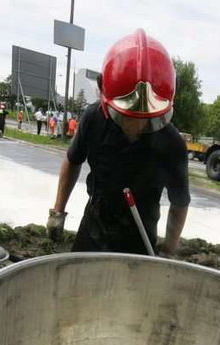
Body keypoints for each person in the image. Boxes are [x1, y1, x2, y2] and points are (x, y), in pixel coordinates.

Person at [47, 29, 190, 255]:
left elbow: (179, 202)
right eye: (126, 117)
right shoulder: (93, 119)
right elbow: (73, 160)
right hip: (96, 219)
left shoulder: (172, 144)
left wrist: (169, 248)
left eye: (148, 120)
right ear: (104, 90)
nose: (137, 127)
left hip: (140, 232)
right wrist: (57, 212)